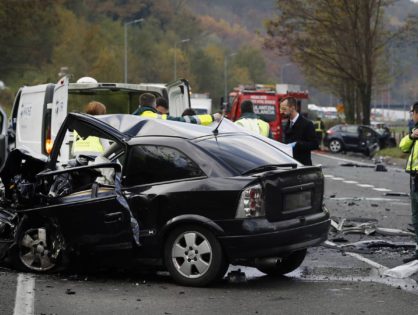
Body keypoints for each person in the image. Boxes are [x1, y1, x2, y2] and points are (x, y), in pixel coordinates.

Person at [399, 101, 418, 263]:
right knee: (416, 217)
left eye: (412, 112)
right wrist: (412, 136)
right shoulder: (415, 130)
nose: (411, 115)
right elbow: (403, 147)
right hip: (414, 177)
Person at [132, 93, 220, 125]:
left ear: (140, 105)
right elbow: (186, 121)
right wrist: (212, 117)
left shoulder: (131, 119)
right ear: (155, 105)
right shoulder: (159, 118)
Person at [280, 97, 318, 165]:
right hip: (289, 164)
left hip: (302, 166)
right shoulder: (287, 124)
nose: (282, 111)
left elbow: (314, 144)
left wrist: (298, 144)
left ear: (292, 107)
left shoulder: (307, 124)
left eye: (284, 109)